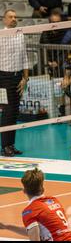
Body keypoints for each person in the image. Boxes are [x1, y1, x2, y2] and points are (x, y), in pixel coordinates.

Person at [0, 168, 71, 241]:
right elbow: (34, 231)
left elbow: (34, 237)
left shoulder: (30, 211)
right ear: (43, 188)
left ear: (24, 191)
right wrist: (7, 226)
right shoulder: (54, 201)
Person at [0, 10, 29, 157]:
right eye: (10, 17)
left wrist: (25, 78)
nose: (13, 19)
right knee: (7, 111)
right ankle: (5, 146)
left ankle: (11, 144)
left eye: (15, 16)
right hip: (3, 78)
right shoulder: (0, 35)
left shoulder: (20, 34)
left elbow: (24, 57)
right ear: (4, 20)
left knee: (15, 112)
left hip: (18, 79)